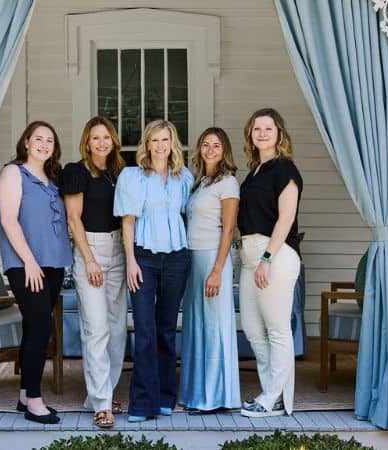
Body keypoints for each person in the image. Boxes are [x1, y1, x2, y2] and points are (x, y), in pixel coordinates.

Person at [113, 120, 194, 422]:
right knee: (145, 331)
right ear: (146, 144)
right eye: (154, 140)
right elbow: (127, 222)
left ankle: (164, 397)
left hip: (176, 259)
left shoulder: (184, 177)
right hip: (144, 259)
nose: (160, 146)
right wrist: (131, 261)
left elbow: (190, 215)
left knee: (166, 329)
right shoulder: (133, 177)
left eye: (165, 140)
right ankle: (141, 404)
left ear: (173, 143)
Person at [0, 121, 72, 425]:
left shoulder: (53, 178)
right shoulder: (13, 172)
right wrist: (29, 261)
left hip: (53, 265)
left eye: (49, 140)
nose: (44, 144)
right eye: (38, 139)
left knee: (34, 328)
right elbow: (8, 220)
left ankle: (25, 394)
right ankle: (36, 402)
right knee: (41, 329)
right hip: (27, 266)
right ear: (26, 142)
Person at [237, 108, 303, 418]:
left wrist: (266, 258)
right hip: (251, 257)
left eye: (268, 128)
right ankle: (271, 393)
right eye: (257, 129)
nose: (262, 134)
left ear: (279, 134)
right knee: (252, 329)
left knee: (277, 330)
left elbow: (287, 218)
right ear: (250, 134)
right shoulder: (253, 173)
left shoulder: (284, 169)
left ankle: (274, 395)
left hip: (274, 255)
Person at [61, 117, 127, 429]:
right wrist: (89, 260)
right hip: (91, 250)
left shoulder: (120, 174)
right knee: (96, 327)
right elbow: (74, 219)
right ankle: (102, 404)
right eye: (95, 137)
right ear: (87, 142)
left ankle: (104, 391)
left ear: (114, 141)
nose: (101, 142)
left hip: (119, 251)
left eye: (106, 137)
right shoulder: (76, 172)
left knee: (116, 328)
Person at [178, 127, 242, 414]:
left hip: (214, 258)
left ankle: (217, 397)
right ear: (199, 148)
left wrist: (217, 270)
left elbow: (229, 229)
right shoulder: (197, 182)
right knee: (196, 326)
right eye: (206, 144)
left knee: (215, 326)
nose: (211, 149)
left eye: (217, 145)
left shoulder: (228, 183)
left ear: (224, 150)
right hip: (192, 258)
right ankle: (195, 394)